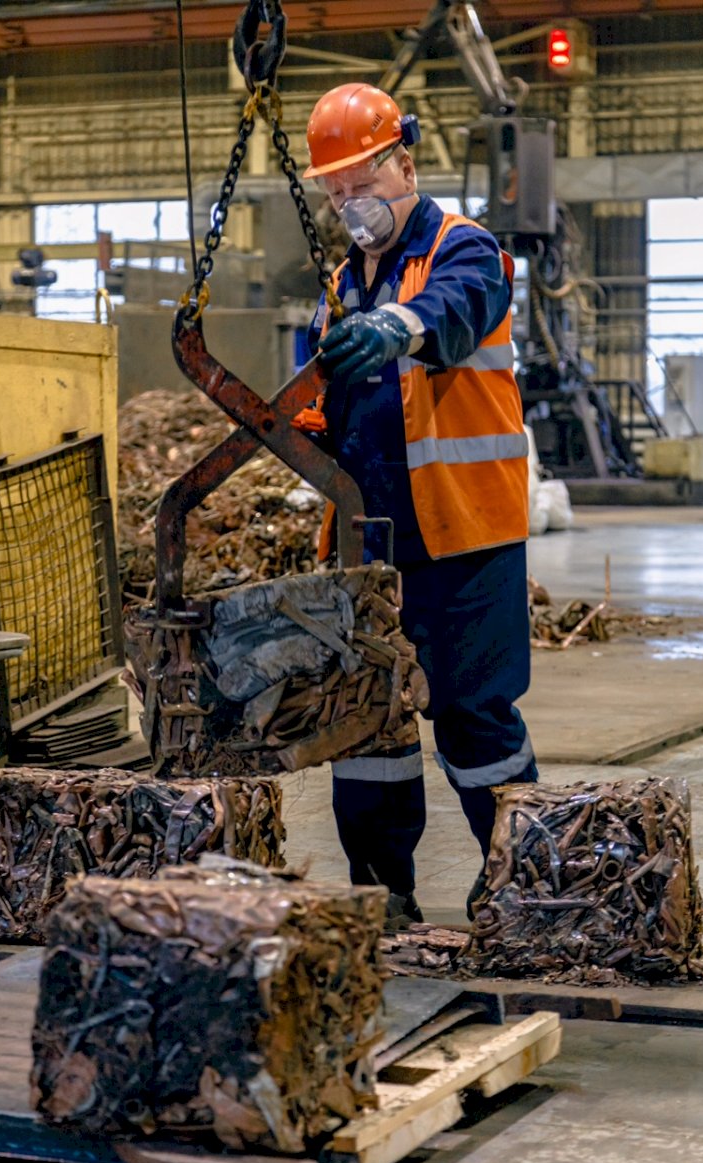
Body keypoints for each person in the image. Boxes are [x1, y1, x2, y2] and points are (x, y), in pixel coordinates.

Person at [303, 82, 538, 925]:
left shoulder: (463, 248)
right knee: (366, 722)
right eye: (333, 190)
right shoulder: (341, 281)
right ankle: (383, 886)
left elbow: (457, 310)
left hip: (465, 534)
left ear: (405, 161)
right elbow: (329, 390)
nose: (348, 204)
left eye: (361, 183)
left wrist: (397, 327)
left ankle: (519, 879)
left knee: (474, 714)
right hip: (368, 544)